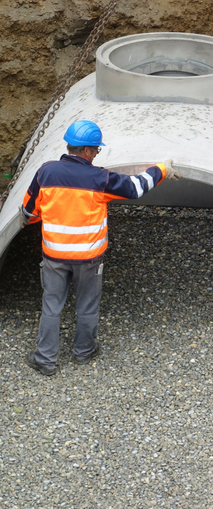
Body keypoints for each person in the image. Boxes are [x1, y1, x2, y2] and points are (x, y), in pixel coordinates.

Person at [20, 119, 182, 376]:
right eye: (96, 149)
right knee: (86, 305)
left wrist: (44, 215)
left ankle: (45, 360)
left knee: (52, 306)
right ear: (85, 151)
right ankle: (84, 351)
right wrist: (162, 169)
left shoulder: (45, 172)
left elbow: (28, 212)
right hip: (88, 258)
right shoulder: (100, 178)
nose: (97, 154)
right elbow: (136, 187)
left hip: (54, 256)